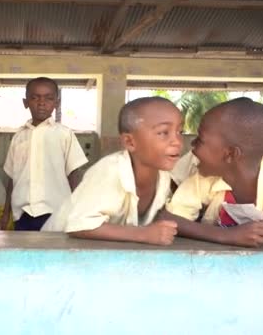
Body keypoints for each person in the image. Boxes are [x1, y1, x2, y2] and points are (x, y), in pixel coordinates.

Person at [161, 97, 263, 247]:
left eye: (200, 140)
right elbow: (169, 219)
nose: (192, 147)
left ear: (230, 154)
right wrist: (228, 235)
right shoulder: (203, 180)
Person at [42, 97, 181, 246]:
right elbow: (80, 225)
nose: (177, 141)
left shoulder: (164, 177)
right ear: (130, 142)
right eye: (163, 132)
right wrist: (144, 234)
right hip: (50, 251)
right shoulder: (110, 171)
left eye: (180, 131)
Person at [0, 77, 88, 231]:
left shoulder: (64, 134)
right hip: (22, 214)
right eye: (35, 98)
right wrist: (5, 214)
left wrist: (78, 211)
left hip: (57, 212)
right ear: (25, 102)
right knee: (25, 253)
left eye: (49, 98)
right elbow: (12, 179)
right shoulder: (18, 137)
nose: (42, 103)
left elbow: (74, 175)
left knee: (56, 254)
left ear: (57, 103)